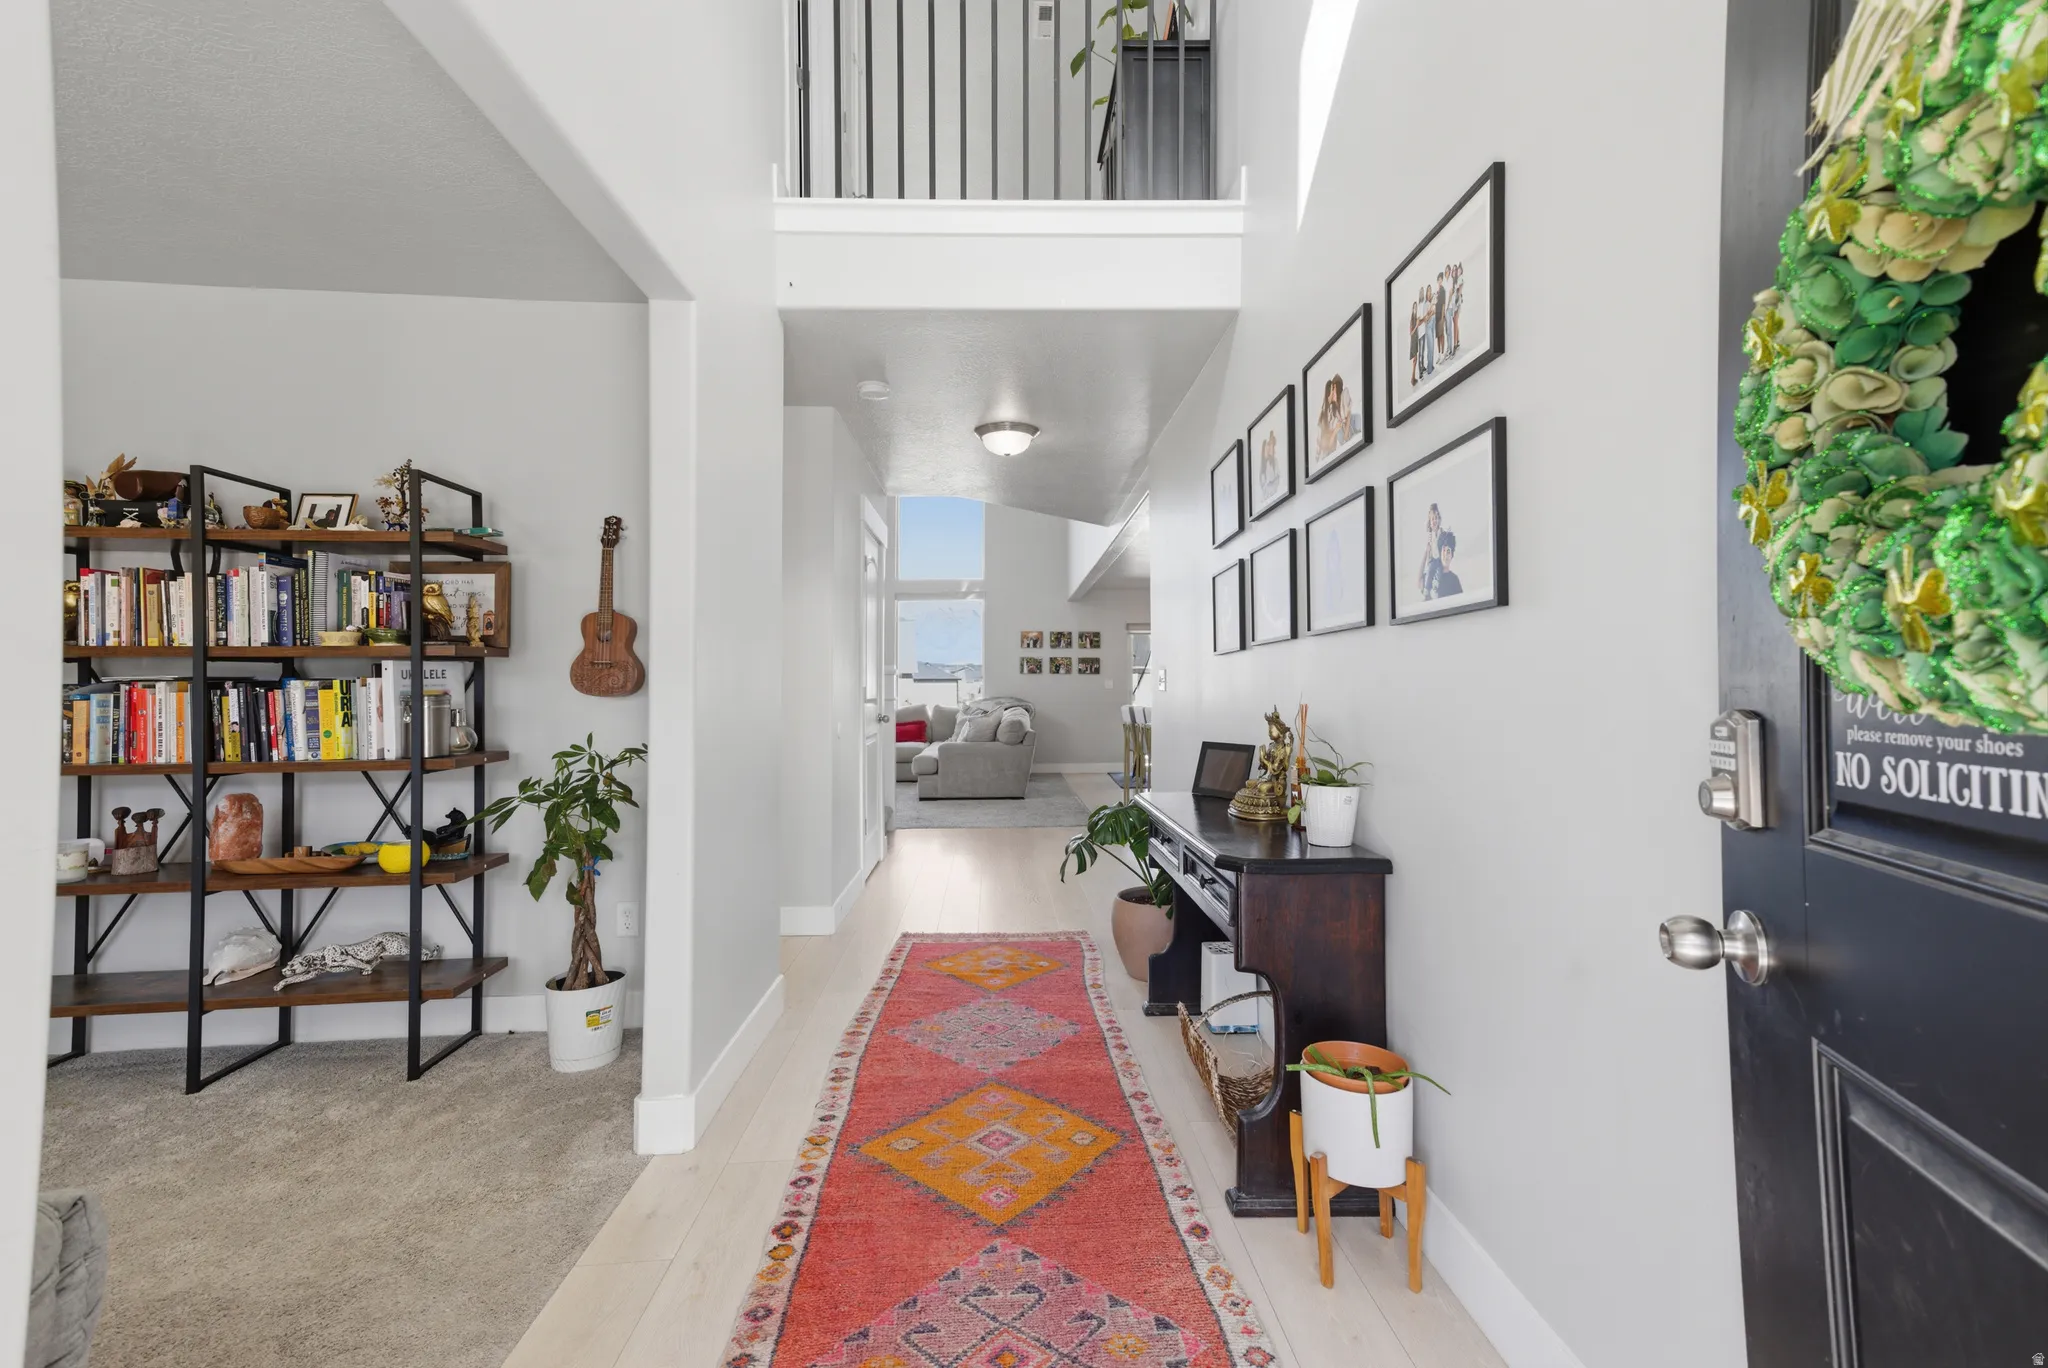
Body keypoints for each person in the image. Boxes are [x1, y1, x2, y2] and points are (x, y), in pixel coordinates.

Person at [1316, 374, 1352, 458]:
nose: (1334, 392)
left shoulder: (1334, 408)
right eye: (1332, 389)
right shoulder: (1326, 414)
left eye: (1335, 388)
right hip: (1327, 454)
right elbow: (1326, 445)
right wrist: (1336, 431)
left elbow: (1347, 415)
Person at [1417, 503, 1443, 598]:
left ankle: (1435, 585)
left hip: (1439, 558)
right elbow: (1428, 549)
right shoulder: (1430, 534)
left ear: (1439, 519)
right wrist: (1427, 556)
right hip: (1432, 559)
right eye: (1432, 519)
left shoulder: (1440, 532)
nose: (1434, 521)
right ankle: (1427, 589)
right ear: (1430, 522)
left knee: (1439, 569)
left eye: (1436, 518)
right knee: (1429, 571)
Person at [1432, 530, 1464, 598]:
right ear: (1440, 553)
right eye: (1443, 550)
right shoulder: (1433, 576)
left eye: (1448, 551)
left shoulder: (1454, 579)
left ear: (1452, 555)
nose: (1446, 554)